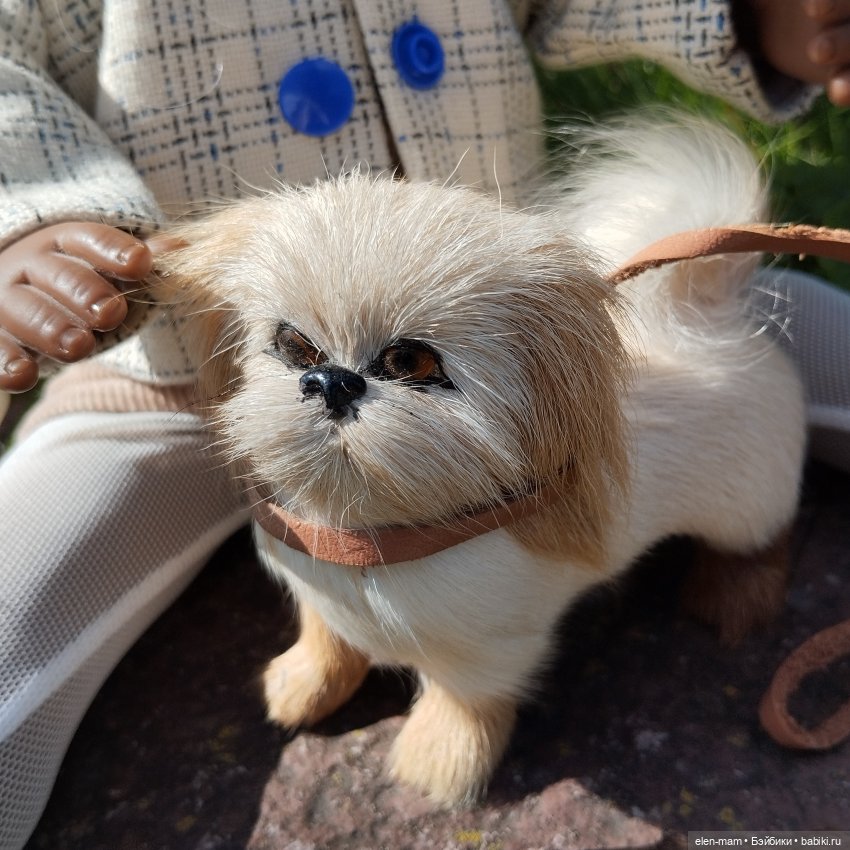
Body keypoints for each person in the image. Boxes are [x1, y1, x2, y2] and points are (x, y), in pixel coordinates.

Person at [0, 1, 848, 846]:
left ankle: (476, 684)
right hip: (165, 372)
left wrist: (746, 15)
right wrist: (33, 209)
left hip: (522, 346)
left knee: (769, 356)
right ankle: (332, 631)